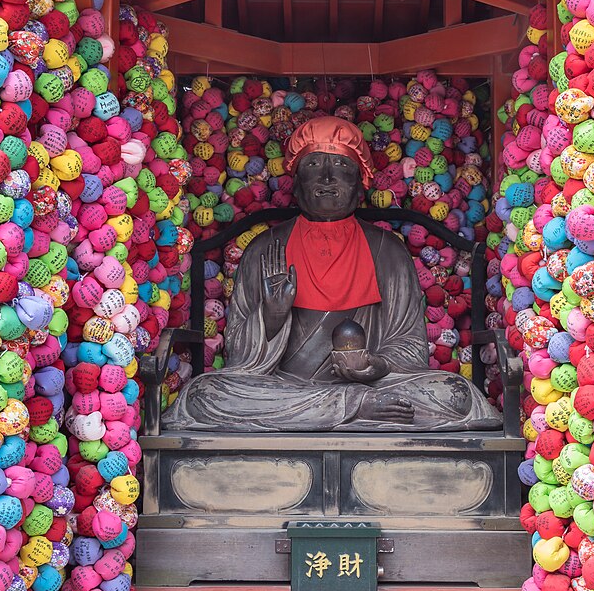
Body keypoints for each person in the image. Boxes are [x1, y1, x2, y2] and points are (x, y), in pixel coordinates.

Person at [162, 116, 503, 431]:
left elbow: (412, 348)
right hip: (285, 388)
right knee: (204, 395)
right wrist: (271, 317)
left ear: (360, 184)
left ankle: (349, 404)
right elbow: (239, 358)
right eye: (313, 165)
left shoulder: (389, 251)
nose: (327, 178)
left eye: (341, 165)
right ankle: (351, 406)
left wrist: (378, 366)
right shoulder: (264, 250)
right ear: (296, 184)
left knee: (457, 395)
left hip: (371, 388)